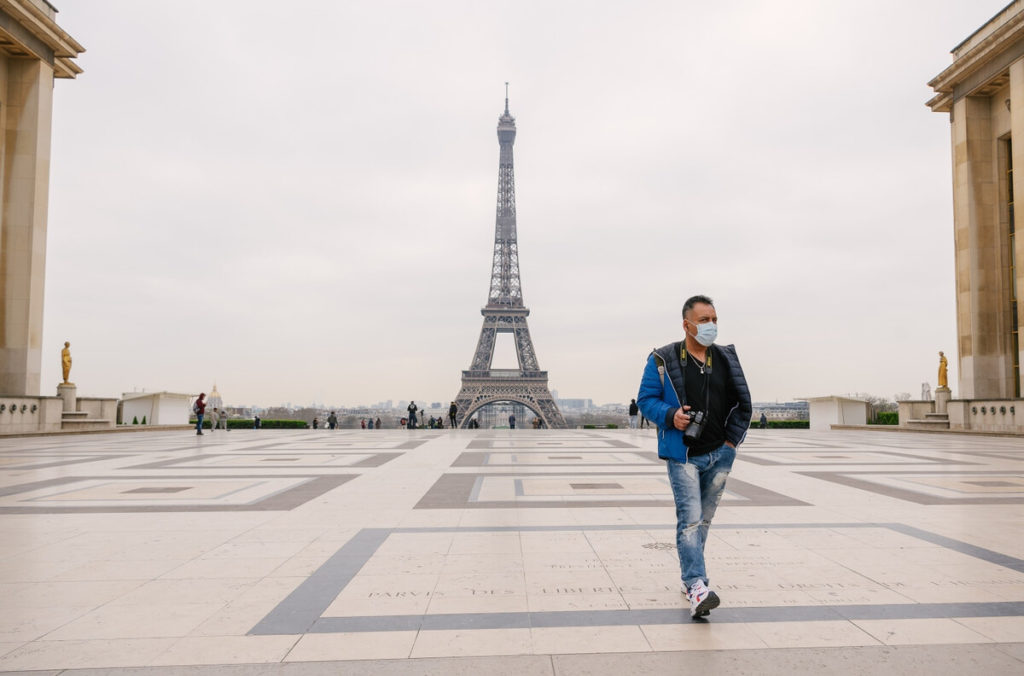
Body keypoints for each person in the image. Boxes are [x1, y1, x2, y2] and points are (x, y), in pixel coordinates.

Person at [637, 294, 751, 620]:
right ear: (686, 324)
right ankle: (697, 585)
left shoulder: (726, 358)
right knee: (689, 520)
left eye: (714, 319)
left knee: (703, 521)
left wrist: (731, 442)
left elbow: (742, 402)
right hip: (683, 454)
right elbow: (645, 399)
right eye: (704, 320)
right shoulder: (663, 359)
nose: (710, 325)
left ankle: (692, 581)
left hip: (720, 453)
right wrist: (671, 414)